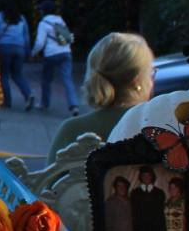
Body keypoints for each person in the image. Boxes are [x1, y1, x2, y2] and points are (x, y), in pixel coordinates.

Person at [48, 32, 155, 160]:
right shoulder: (161, 129)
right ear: (136, 80)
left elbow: (50, 173)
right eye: (151, 73)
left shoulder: (71, 131)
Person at [0, 2, 33, 110]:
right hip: (20, 49)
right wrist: (28, 51)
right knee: (17, 74)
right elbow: (26, 36)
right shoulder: (21, 18)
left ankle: (6, 100)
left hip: (4, 48)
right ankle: (28, 94)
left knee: (3, 75)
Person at [31, 0, 78, 116]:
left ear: (43, 11)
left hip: (51, 54)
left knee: (46, 79)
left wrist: (33, 53)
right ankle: (73, 105)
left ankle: (44, 103)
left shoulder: (43, 23)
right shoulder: (60, 20)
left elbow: (40, 42)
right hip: (66, 52)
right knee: (67, 79)